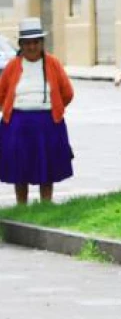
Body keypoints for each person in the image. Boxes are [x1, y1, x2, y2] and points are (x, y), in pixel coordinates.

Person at [0, 17, 74, 205]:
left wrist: (54, 108)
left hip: (47, 122)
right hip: (17, 123)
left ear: (42, 43)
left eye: (36, 42)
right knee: (20, 167)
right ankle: (21, 205)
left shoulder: (53, 63)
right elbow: (2, 93)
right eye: (27, 43)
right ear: (21, 45)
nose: (32, 47)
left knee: (46, 167)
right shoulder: (12, 67)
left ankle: (46, 204)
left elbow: (67, 92)